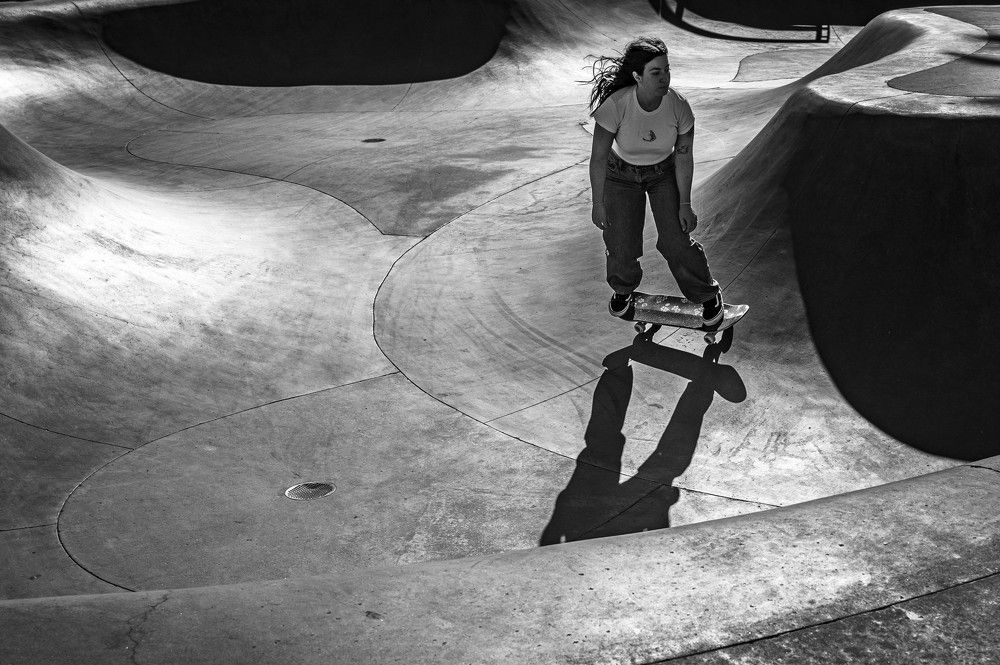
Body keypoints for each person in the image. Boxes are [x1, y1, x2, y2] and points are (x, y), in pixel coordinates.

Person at [587, 37, 723, 325]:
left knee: (676, 237)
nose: (665, 78)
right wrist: (598, 203)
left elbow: (684, 157)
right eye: (656, 72)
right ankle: (623, 289)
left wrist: (684, 203)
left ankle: (707, 294)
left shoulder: (679, 108)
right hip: (620, 175)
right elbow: (598, 158)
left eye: (667, 70)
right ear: (637, 76)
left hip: (663, 173)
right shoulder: (617, 105)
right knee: (620, 240)